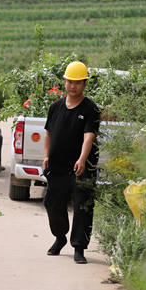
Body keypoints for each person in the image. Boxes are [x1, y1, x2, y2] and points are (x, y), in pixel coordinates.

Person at [41, 61, 100, 264]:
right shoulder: (55, 107)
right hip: (57, 166)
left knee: (83, 206)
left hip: (81, 168)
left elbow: (88, 137)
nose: (72, 85)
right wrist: (46, 156)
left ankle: (79, 247)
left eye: (77, 82)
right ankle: (60, 237)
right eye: (69, 81)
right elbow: (48, 134)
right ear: (64, 82)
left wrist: (82, 159)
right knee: (52, 204)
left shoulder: (91, 109)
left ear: (84, 84)